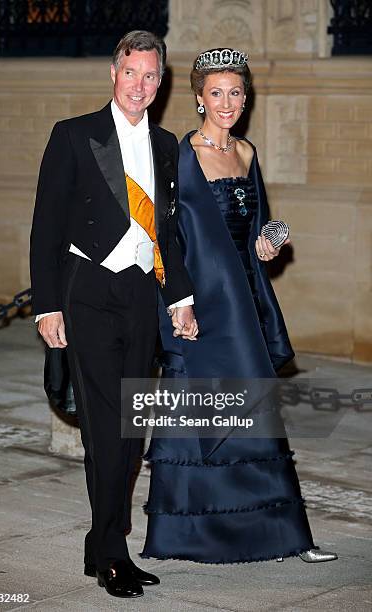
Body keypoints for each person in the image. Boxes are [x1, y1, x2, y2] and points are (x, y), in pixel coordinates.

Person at [141, 48, 337, 565]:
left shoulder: (247, 153)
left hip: (242, 301)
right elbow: (166, 239)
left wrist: (267, 245)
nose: (226, 103)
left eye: (235, 93)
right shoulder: (179, 157)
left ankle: (284, 535)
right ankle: (180, 536)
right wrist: (178, 304)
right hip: (198, 305)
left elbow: (255, 234)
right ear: (198, 98)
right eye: (215, 93)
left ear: (245, 98)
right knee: (193, 420)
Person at [30, 31, 198, 599]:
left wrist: (180, 298)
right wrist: (46, 304)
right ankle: (112, 551)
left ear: (161, 81)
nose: (141, 85)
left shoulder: (169, 145)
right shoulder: (75, 136)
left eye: (152, 76)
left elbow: (169, 235)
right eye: (132, 73)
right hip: (88, 292)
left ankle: (98, 544)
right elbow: (46, 227)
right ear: (113, 73)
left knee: (130, 431)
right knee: (107, 427)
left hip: (141, 298)